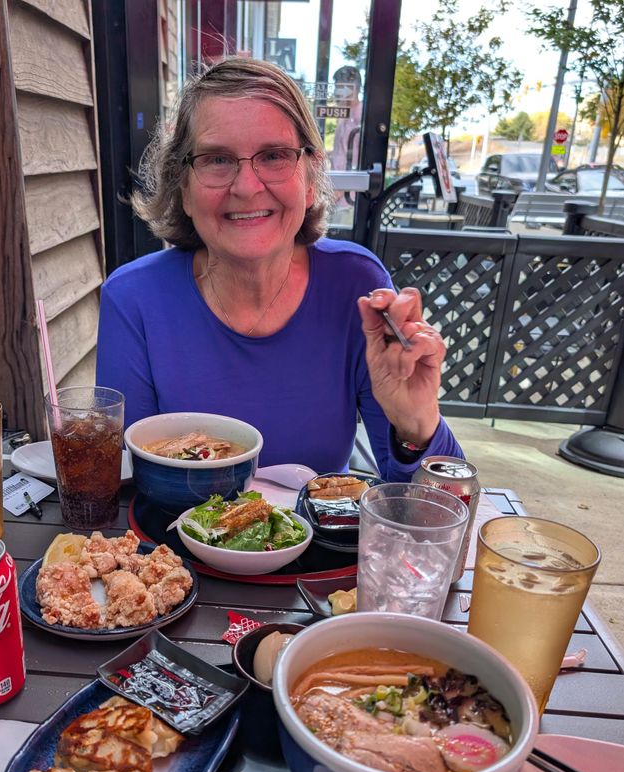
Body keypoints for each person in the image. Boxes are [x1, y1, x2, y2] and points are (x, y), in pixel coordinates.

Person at [96, 57, 463, 479]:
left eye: (273, 155)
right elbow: (123, 487)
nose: (247, 187)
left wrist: (417, 425)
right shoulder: (133, 299)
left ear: (310, 177)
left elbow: (428, 512)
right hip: (172, 543)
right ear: (183, 188)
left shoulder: (356, 286)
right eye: (217, 160)